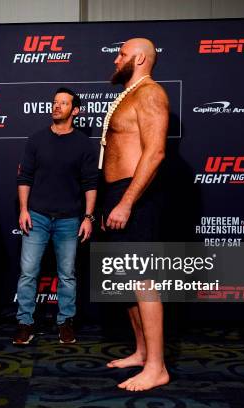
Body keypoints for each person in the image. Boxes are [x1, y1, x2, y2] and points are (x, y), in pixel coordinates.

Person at [100, 38, 170, 391]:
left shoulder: (150, 94)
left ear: (139, 58)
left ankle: (157, 366)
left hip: (136, 195)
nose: (116, 59)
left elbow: (155, 153)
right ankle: (143, 352)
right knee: (125, 281)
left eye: (122, 54)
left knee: (144, 281)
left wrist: (127, 201)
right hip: (118, 193)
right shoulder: (129, 95)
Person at [13, 88, 98, 345]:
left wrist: (89, 217)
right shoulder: (36, 140)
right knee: (28, 273)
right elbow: (24, 177)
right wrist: (24, 209)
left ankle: (65, 323)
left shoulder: (84, 144)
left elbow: (91, 183)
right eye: (54, 102)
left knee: (67, 274)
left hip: (70, 219)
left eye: (63, 103)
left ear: (75, 110)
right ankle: (25, 323)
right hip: (36, 216)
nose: (57, 106)